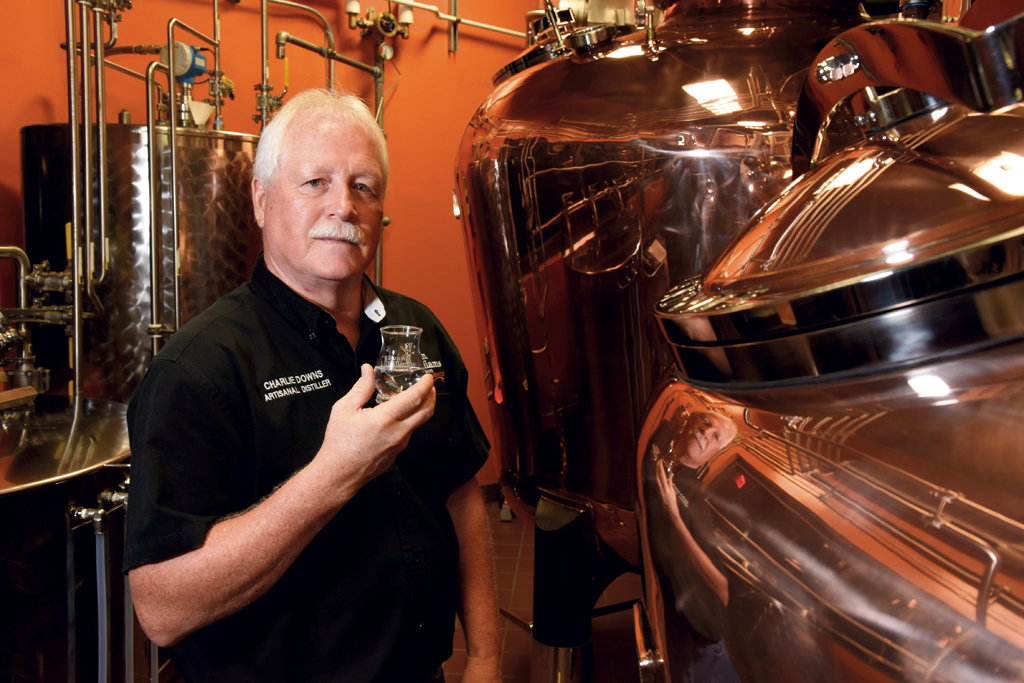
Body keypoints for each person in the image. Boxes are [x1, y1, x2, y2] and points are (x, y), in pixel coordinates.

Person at [123, 89, 501, 683]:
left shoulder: (417, 332)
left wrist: (485, 657)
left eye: (363, 186)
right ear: (261, 199)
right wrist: (334, 474)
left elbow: (460, 495)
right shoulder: (199, 370)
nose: (343, 207)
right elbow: (162, 609)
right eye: (314, 183)